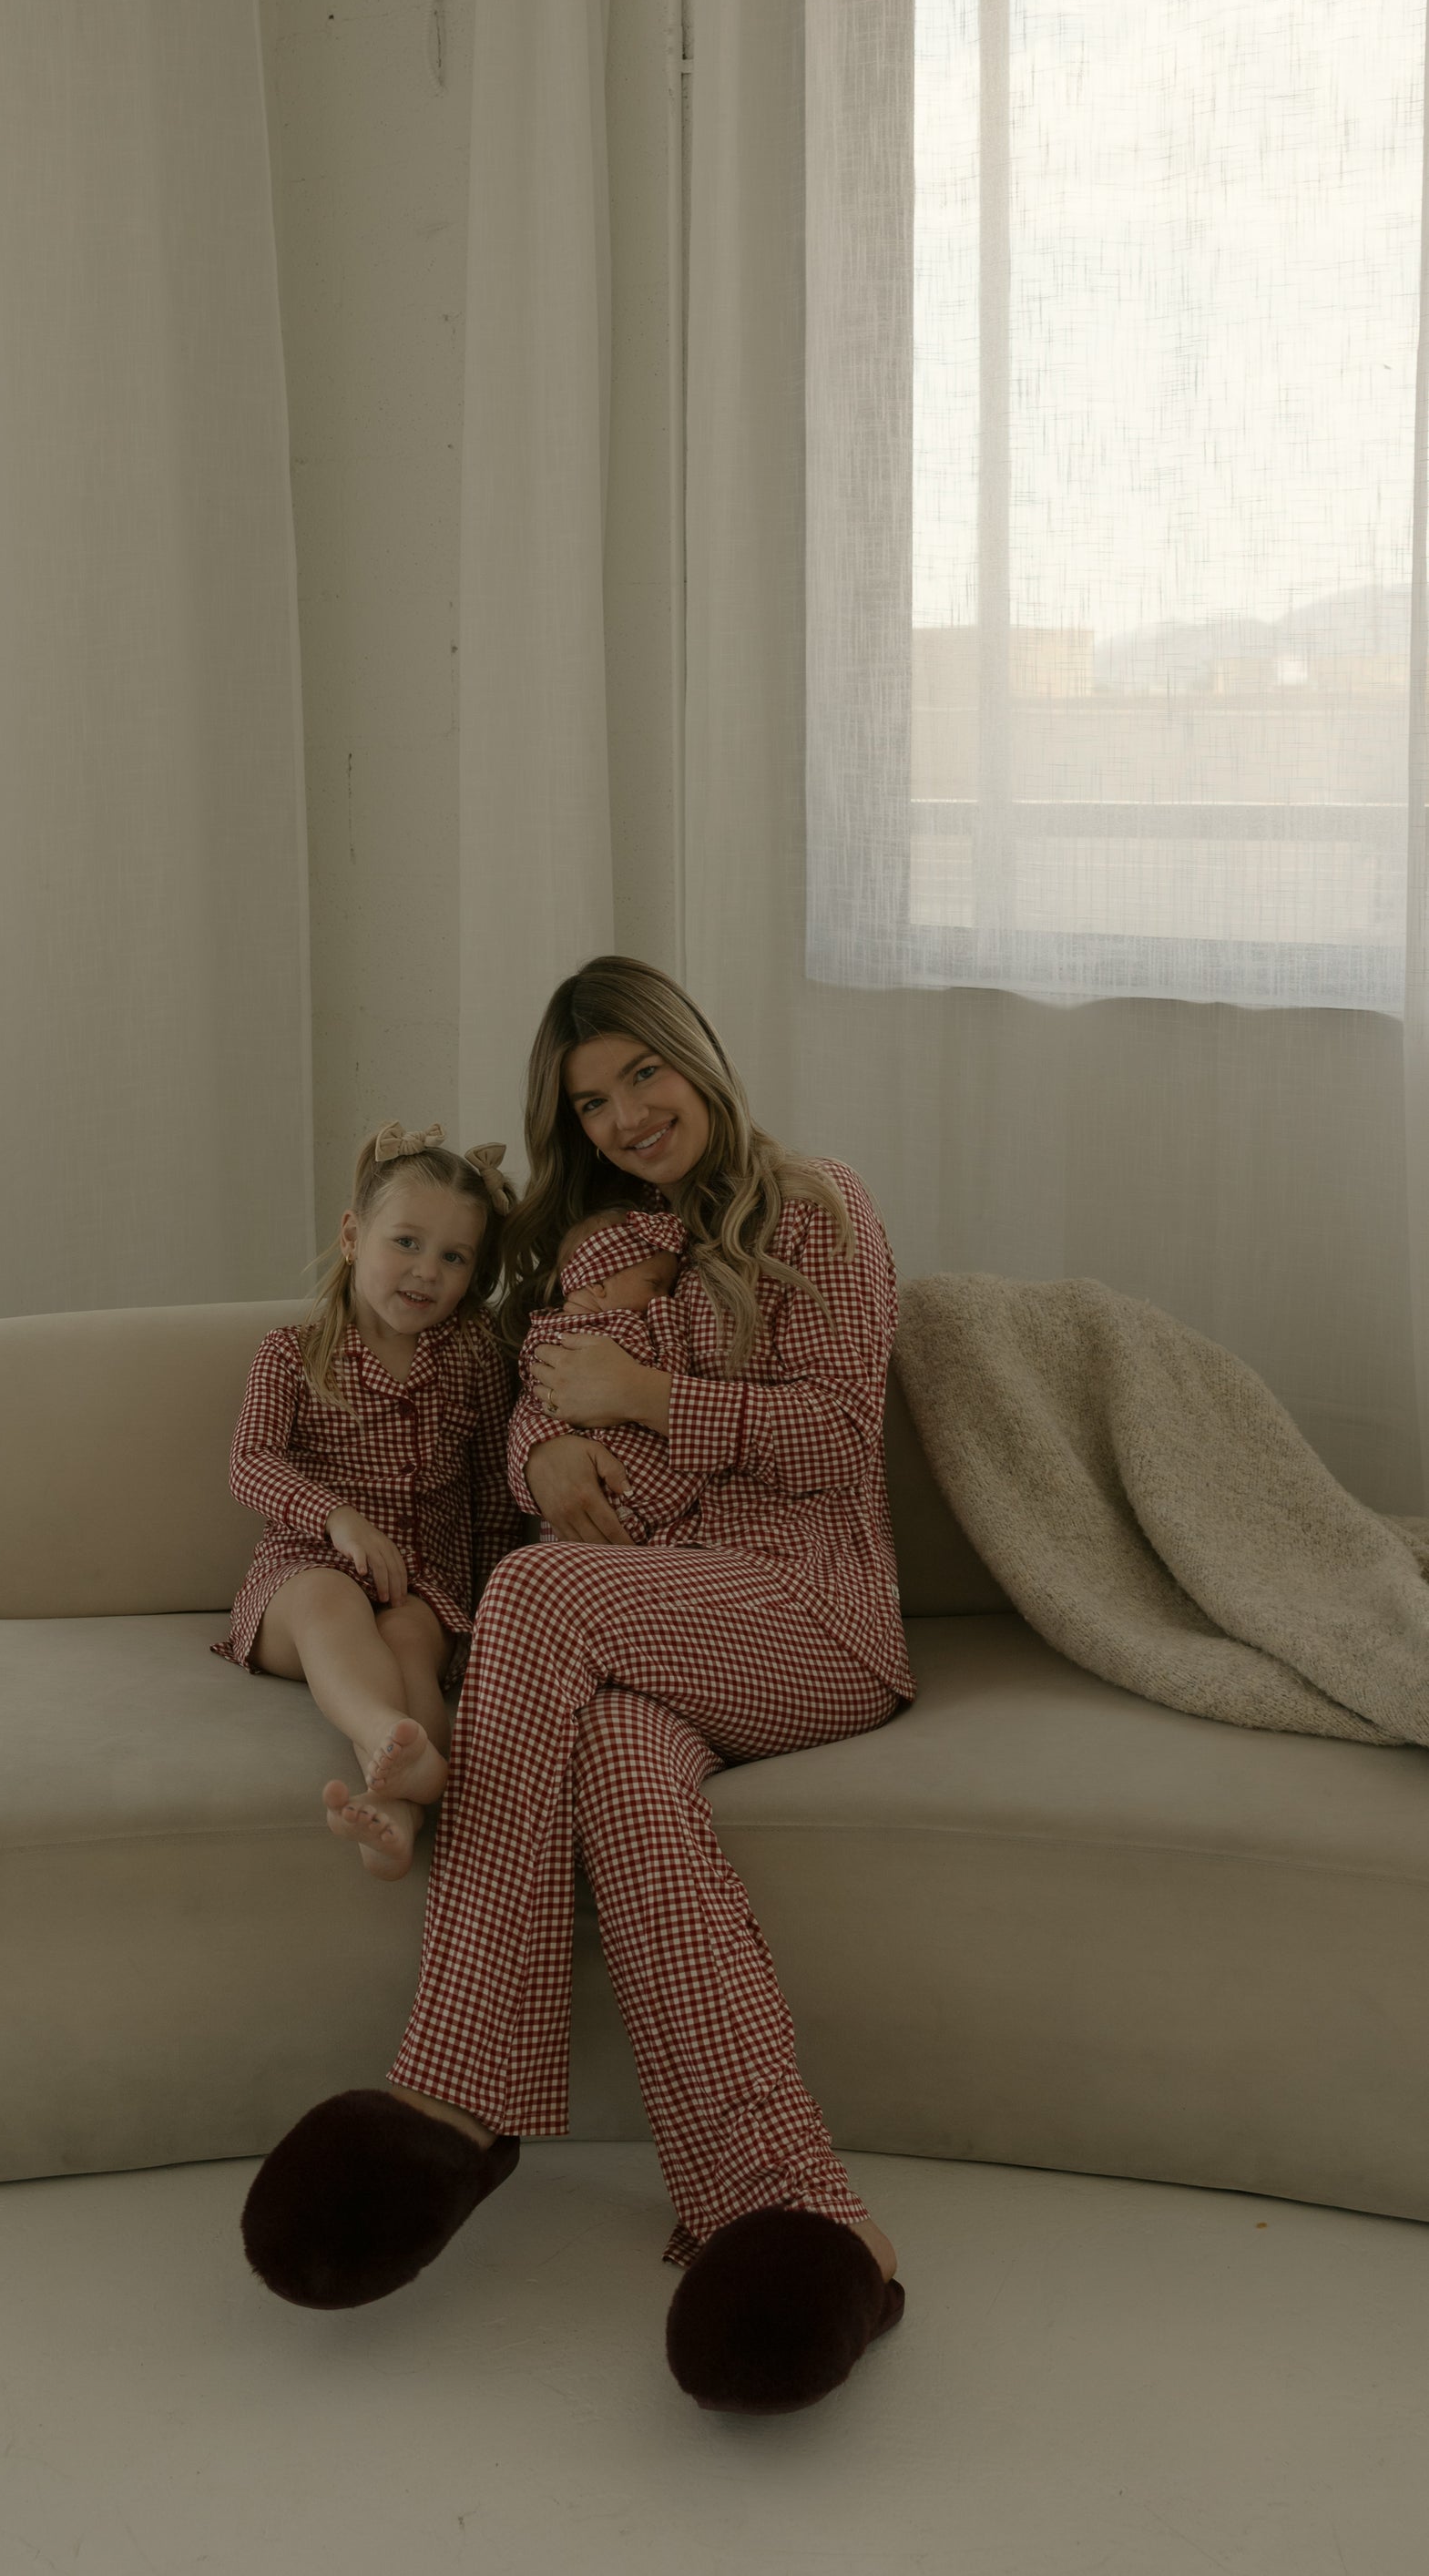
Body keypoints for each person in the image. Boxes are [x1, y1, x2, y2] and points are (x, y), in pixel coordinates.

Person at [241, 960, 917, 2415]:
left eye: (638, 1078)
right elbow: (533, 1423)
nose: (622, 1117)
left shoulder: (820, 1207)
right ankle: (786, 2202)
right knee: (609, 1758)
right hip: (643, 1639)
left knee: (539, 1593)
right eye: (588, 1103)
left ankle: (455, 2083)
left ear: (695, 1055)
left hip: (807, 1614)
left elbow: (833, 1438)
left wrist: (642, 1397)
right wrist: (539, 1453)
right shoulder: (583, 1251)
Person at [213, 1121, 522, 1881]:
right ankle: (386, 1733)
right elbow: (250, 1462)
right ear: (353, 1235)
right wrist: (336, 1518)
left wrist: (486, 1615)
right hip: (301, 1576)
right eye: (407, 1243)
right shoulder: (291, 1351)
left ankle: (398, 1805)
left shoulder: (475, 1353)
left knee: (415, 1636)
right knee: (328, 1603)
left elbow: (493, 1492)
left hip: (423, 1584)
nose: (426, 1273)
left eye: (454, 1257)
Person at [518, 1205, 704, 1544]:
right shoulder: (618, 1329)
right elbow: (667, 1377)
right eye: (655, 1285)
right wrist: (669, 1322)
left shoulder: (543, 1330)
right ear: (598, 1282)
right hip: (618, 1487)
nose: (663, 1298)